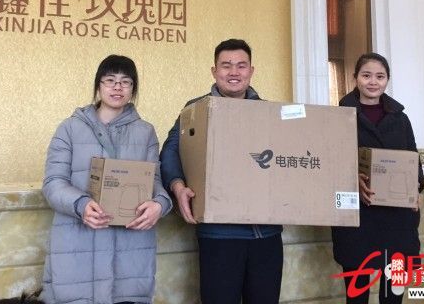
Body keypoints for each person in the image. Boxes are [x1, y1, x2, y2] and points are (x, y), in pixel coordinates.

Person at [159, 38, 283, 304]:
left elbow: (285, 158)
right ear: (214, 71)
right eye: (226, 66)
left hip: (266, 233)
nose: (234, 72)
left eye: (241, 65)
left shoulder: (270, 112)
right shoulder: (195, 110)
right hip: (219, 234)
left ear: (251, 70)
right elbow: (170, 150)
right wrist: (178, 187)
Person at [41, 55, 172, 304]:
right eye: (110, 80)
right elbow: (53, 183)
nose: (117, 87)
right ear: (98, 86)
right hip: (78, 244)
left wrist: (160, 204)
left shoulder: (145, 132)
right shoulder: (69, 128)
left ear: (133, 89)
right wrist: (80, 204)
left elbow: (154, 181)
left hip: (130, 249)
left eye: (126, 82)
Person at [331, 53, 424, 304]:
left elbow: (413, 156)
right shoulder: (339, 116)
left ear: (387, 80)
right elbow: (330, 161)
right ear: (355, 78)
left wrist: (416, 189)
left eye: (380, 76)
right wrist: (352, 179)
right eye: (366, 75)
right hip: (358, 216)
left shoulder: (400, 118)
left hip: (398, 219)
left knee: (393, 294)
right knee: (357, 294)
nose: (373, 82)